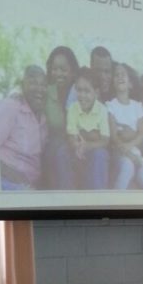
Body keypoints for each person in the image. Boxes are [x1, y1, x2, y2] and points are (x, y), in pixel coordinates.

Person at [0, 64, 48, 190]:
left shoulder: (44, 119)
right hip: (7, 181)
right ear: (22, 85)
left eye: (43, 84)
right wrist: (11, 174)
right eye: (33, 83)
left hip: (29, 186)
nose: (39, 89)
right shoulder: (11, 106)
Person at [65, 66, 110, 188]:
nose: (82, 95)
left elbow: (105, 140)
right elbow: (71, 135)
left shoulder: (102, 110)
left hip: (94, 150)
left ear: (96, 92)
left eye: (87, 91)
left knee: (100, 154)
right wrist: (77, 147)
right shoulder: (73, 109)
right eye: (79, 90)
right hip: (77, 150)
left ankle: (97, 198)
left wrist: (87, 146)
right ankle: (65, 196)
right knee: (62, 153)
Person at [42, 45, 79, 188]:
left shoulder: (79, 92)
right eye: (55, 69)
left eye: (63, 69)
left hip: (77, 143)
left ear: (73, 72)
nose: (59, 73)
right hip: (53, 146)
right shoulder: (46, 91)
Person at [107, 62, 143, 188]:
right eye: (116, 75)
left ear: (130, 83)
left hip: (135, 151)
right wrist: (129, 155)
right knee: (128, 167)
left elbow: (142, 133)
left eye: (123, 74)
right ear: (113, 83)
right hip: (118, 152)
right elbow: (114, 136)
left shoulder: (138, 107)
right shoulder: (110, 106)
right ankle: (115, 202)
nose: (119, 77)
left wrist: (131, 147)